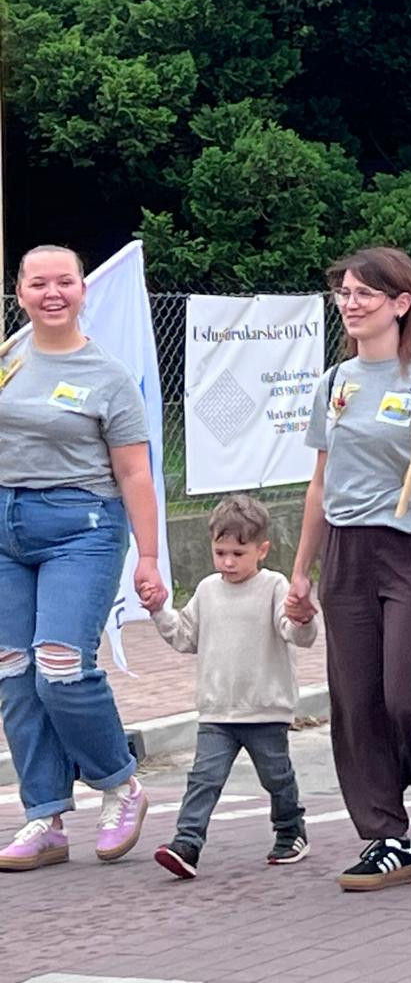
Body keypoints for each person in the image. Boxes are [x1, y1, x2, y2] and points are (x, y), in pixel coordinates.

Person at [288, 246, 411, 892]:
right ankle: (386, 838)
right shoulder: (334, 383)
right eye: (344, 292)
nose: (351, 303)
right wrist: (301, 572)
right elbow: (321, 485)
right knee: (358, 703)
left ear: (401, 304)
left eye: (365, 293)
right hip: (349, 553)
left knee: (406, 694)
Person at [0, 245, 166, 872]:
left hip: (83, 527)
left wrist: (148, 557)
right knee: (13, 672)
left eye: (64, 282)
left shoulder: (108, 374)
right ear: (19, 292)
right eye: (37, 283)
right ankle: (44, 817)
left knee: (61, 667)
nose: (52, 293)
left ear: (81, 290)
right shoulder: (8, 359)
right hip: (5, 528)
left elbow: (136, 473)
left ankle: (119, 784)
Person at [145, 495, 318, 879]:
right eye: (220, 552)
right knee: (203, 779)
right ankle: (186, 843)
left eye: (238, 553)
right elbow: (186, 637)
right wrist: (159, 611)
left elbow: (295, 634)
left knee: (276, 777)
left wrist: (303, 619)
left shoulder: (274, 586)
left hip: (265, 709)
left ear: (262, 549)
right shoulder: (207, 590)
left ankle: (291, 829)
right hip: (216, 711)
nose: (227, 561)